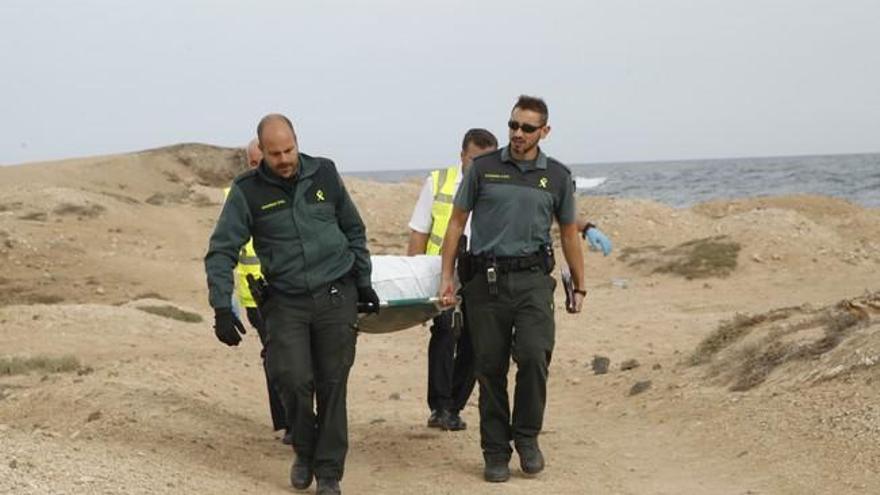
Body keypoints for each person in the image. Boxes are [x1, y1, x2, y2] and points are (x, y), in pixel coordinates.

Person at [205, 114, 378, 495]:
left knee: (333, 384)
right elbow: (220, 251)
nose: (284, 159)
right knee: (293, 380)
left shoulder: (325, 174)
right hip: (285, 302)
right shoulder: (247, 191)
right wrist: (221, 306)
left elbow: (353, 228)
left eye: (289, 150)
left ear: (297, 142)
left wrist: (363, 281)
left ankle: (329, 473)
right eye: (274, 153)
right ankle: (304, 449)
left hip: (336, 294)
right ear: (261, 152)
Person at [438, 95, 586, 483]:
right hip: (485, 282)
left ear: (544, 131)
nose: (518, 134)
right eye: (513, 126)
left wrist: (580, 285)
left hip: (533, 282)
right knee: (489, 368)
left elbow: (569, 232)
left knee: (535, 356)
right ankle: (495, 451)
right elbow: (456, 223)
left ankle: (527, 437)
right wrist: (446, 277)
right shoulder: (484, 168)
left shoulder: (556, 175)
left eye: (527, 128)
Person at [407, 128, 498, 431]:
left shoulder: (498, 186)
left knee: (475, 339)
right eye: (475, 160)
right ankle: (440, 405)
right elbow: (419, 230)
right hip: (439, 271)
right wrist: (415, 278)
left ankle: (455, 406)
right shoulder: (438, 182)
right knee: (446, 332)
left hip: (480, 272)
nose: (481, 167)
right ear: (462, 156)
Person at [226, 138, 289, 444]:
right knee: (276, 355)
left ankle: (301, 418)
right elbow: (224, 250)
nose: (258, 169)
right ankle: (288, 423)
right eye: (252, 163)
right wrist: (227, 302)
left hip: (290, 290)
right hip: (256, 297)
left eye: (262, 162)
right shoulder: (237, 195)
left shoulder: (291, 188)